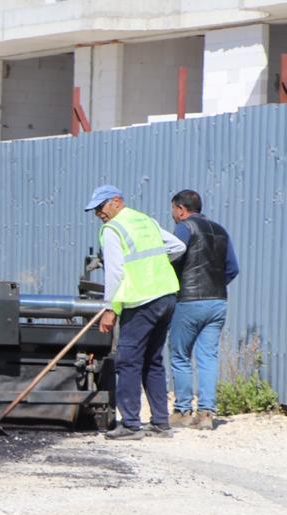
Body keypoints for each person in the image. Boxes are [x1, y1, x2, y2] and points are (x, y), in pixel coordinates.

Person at [86, 185, 186, 439]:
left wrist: (110, 309)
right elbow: (177, 247)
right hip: (166, 296)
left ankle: (130, 424)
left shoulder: (112, 229)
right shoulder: (145, 220)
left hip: (141, 299)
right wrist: (154, 266)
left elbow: (116, 272)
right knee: (153, 360)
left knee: (128, 360)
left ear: (116, 202)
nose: (98, 213)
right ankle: (161, 423)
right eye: (95, 209)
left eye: (101, 207)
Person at [167, 189, 240, 431]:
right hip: (218, 301)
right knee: (208, 357)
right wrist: (216, 285)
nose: (173, 216)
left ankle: (183, 411)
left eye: (173, 211)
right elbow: (232, 268)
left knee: (180, 355)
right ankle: (207, 413)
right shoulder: (221, 230)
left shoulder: (185, 228)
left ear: (180, 209)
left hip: (189, 300)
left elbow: (174, 258)